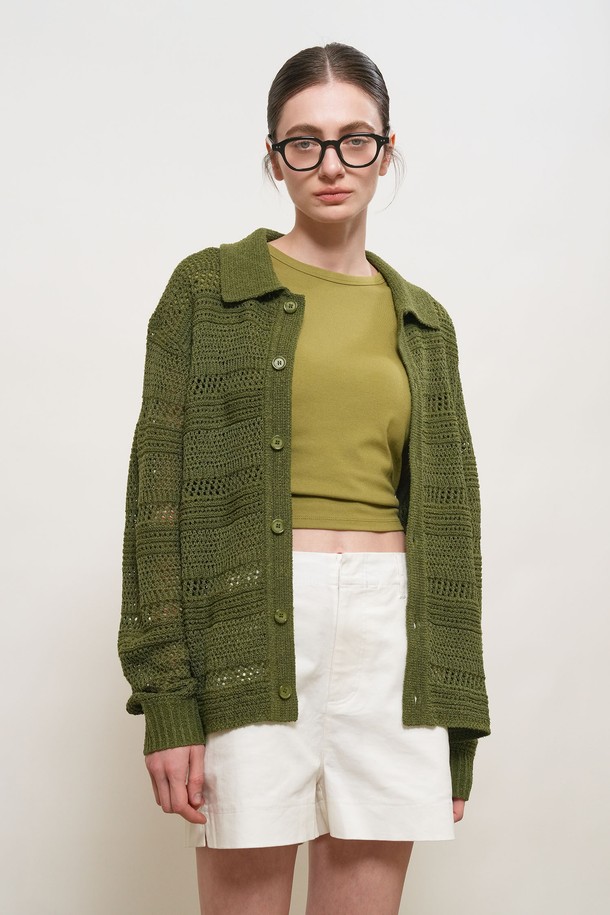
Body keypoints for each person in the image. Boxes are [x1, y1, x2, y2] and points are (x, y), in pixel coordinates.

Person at [119, 42, 490, 915]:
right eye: (304, 142)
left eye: (355, 139)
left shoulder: (424, 322)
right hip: (249, 625)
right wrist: (168, 703)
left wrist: (458, 722)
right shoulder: (209, 292)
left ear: (386, 153)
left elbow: (455, 531)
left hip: (394, 643)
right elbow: (155, 505)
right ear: (274, 156)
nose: (331, 164)